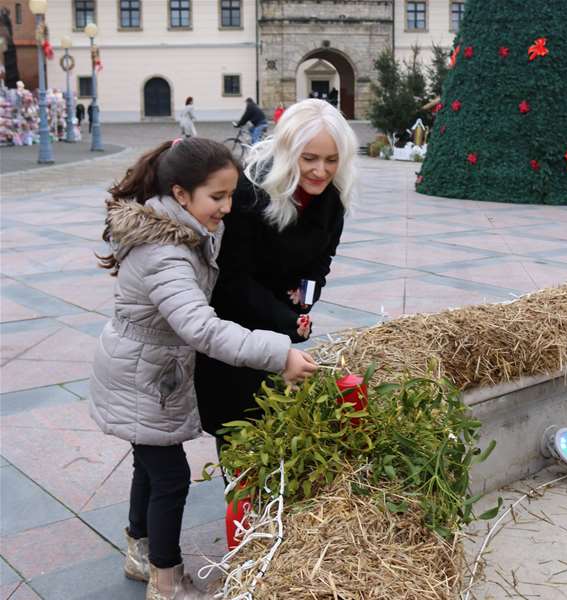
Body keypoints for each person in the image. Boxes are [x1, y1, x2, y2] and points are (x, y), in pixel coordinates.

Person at [89, 137, 317, 600]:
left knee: (150, 464)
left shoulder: (182, 225)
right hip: (144, 375)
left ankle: (139, 548)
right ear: (180, 194)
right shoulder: (165, 253)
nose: (228, 207)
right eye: (218, 196)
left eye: (232, 194)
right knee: (169, 475)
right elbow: (203, 329)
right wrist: (281, 354)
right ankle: (167, 578)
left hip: (147, 369)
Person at [195, 98, 357, 456]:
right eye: (310, 158)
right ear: (289, 152)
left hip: (280, 327)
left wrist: (306, 298)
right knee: (241, 430)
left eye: (331, 160)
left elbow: (321, 260)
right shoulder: (250, 196)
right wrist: (288, 318)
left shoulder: (332, 200)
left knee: (275, 429)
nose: (321, 170)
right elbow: (232, 282)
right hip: (235, 330)